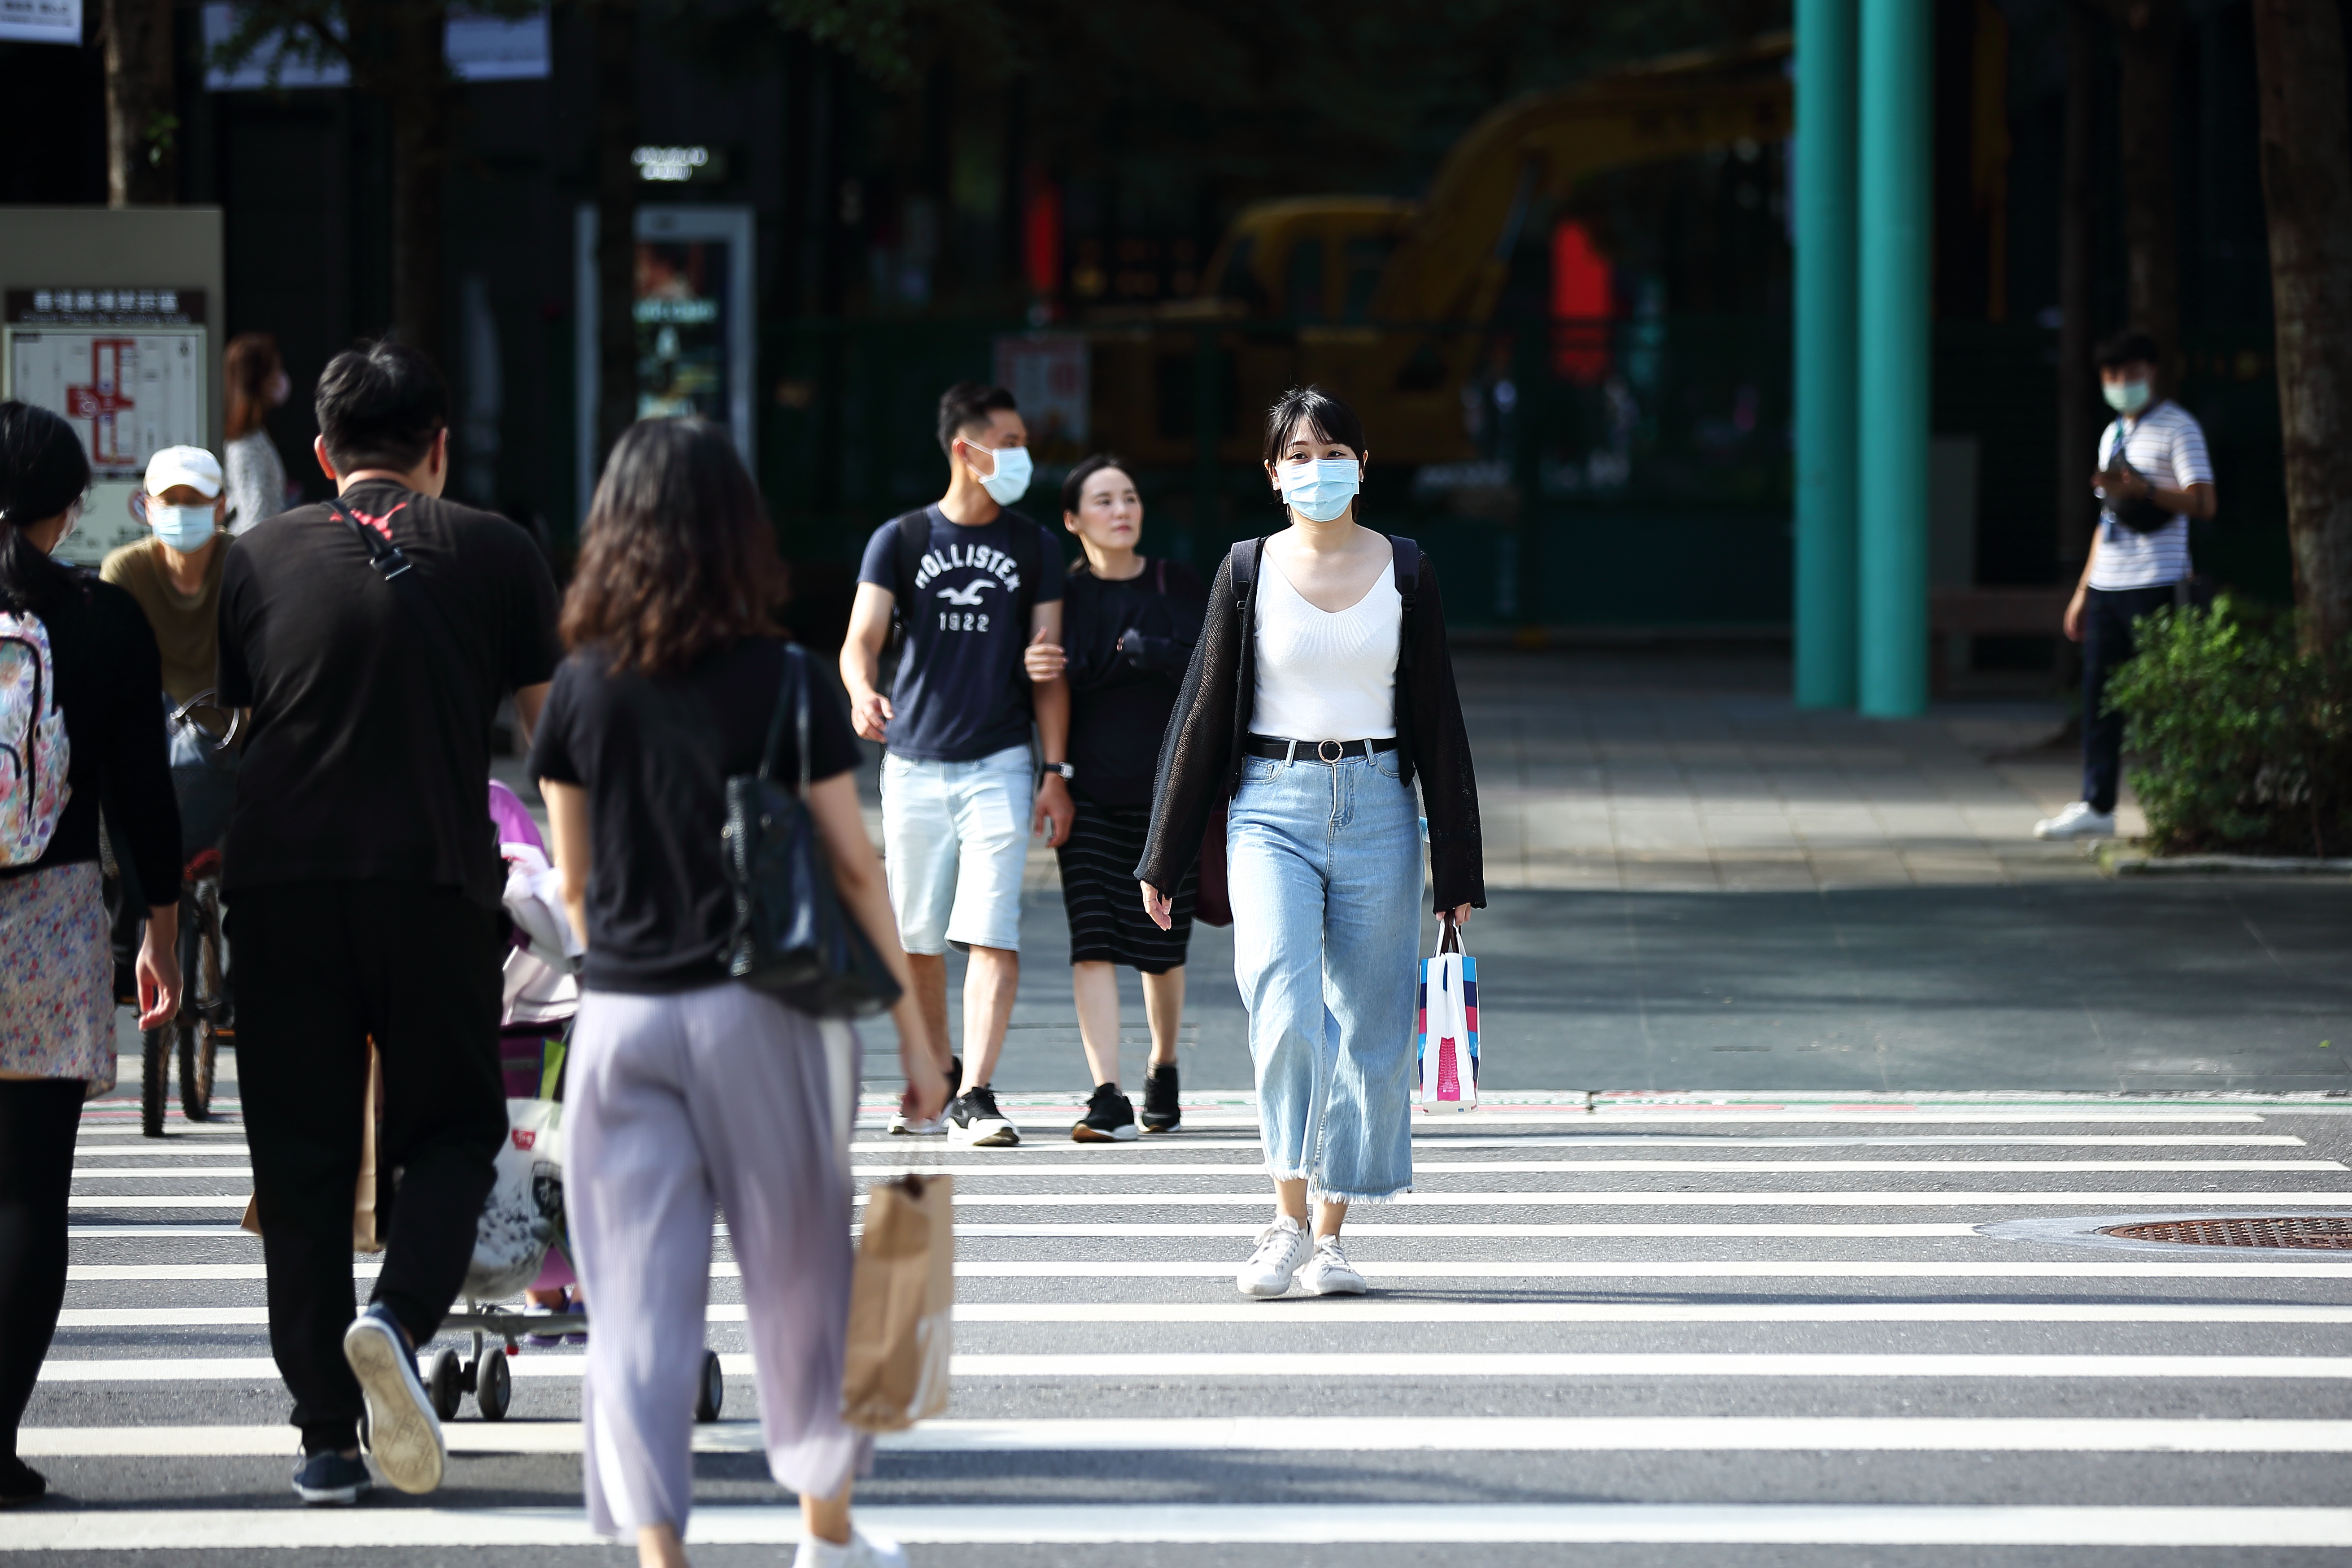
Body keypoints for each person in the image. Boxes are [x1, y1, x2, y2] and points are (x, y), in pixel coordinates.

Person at [532, 416, 944, 1568]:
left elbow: (572, 882)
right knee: (804, 1275)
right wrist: (917, 1036)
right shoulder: (789, 682)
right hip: (767, 1013)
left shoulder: (576, 691)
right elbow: (855, 868)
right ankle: (827, 1532)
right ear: (736, 532)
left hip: (618, 1018)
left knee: (636, 1305)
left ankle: (663, 1557)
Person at [217, 341, 563, 1505]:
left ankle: (323, 1437)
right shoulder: (500, 550)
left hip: (280, 896)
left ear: (319, 454)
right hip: (435, 886)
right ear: (440, 447)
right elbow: (551, 739)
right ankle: (397, 1320)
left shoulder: (253, 556)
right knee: (457, 1134)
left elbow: (246, 717)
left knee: (303, 1161)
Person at [1138, 385, 1483, 1299]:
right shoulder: (1246, 567)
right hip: (1269, 804)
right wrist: (1165, 853)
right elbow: (1205, 710)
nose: (1317, 471)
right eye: (1300, 455)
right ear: (1272, 471)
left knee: (1369, 1026)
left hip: (1378, 802)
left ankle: (1331, 1234)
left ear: (1363, 466)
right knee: (1285, 1007)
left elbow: (1440, 716)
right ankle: (1284, 1217)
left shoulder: (1408, 567)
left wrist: (1457, 868)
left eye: (1335, 454)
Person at [0, 402, 183, 1507]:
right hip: (51, 917)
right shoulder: (102, 619)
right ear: (68, 509)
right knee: (28, 1195)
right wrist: (159, 925)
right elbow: (141, 795)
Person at [840, 382, 1072, 1148]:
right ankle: (933, 1072)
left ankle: (975, 1093)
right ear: (963, 452)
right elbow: (861, 638)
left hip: (999, 760)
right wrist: (860, 689)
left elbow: (1047, 663)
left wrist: (1053, 769)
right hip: (912, 764)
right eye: (1006, 443)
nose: (1019, 457)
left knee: (992, 927)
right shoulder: (901, 539)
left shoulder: (1035, 545)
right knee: (919, 937)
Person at [1021, 455, 1206, 1140]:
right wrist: (1055, 774)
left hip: (1170, 794)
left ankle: (1163, 1065)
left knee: (1162, 946)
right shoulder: (1063, 600)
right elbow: (1044, 688)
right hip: (1090, 792)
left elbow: (1222, 665)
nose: (1121, 510)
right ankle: (1107, 1092)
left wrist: (1164, 649)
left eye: (1129, 497)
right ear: (1072, 521)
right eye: (1103, 501)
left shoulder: (1176, 583)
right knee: (1092, 940)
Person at [2037, 329, 2217, 841]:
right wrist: (2082, 590)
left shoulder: (2179, 428)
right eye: (2113, 377)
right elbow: (2106, 520)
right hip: (2109, 583)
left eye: (2131, 375)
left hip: (2157, 581)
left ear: (2152, 373)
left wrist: (2148, 490)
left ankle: (2183, 800)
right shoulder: (2112, 434)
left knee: (2166, 696)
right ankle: (2097, 803)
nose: (2121, 385)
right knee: (2099, 696)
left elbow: (2204, 503)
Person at [222, 333, 292, 537]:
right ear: (259, 380)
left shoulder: (254, 437)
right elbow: (255, 520)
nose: (280, 379)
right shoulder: (247, 446)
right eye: (275, 371)